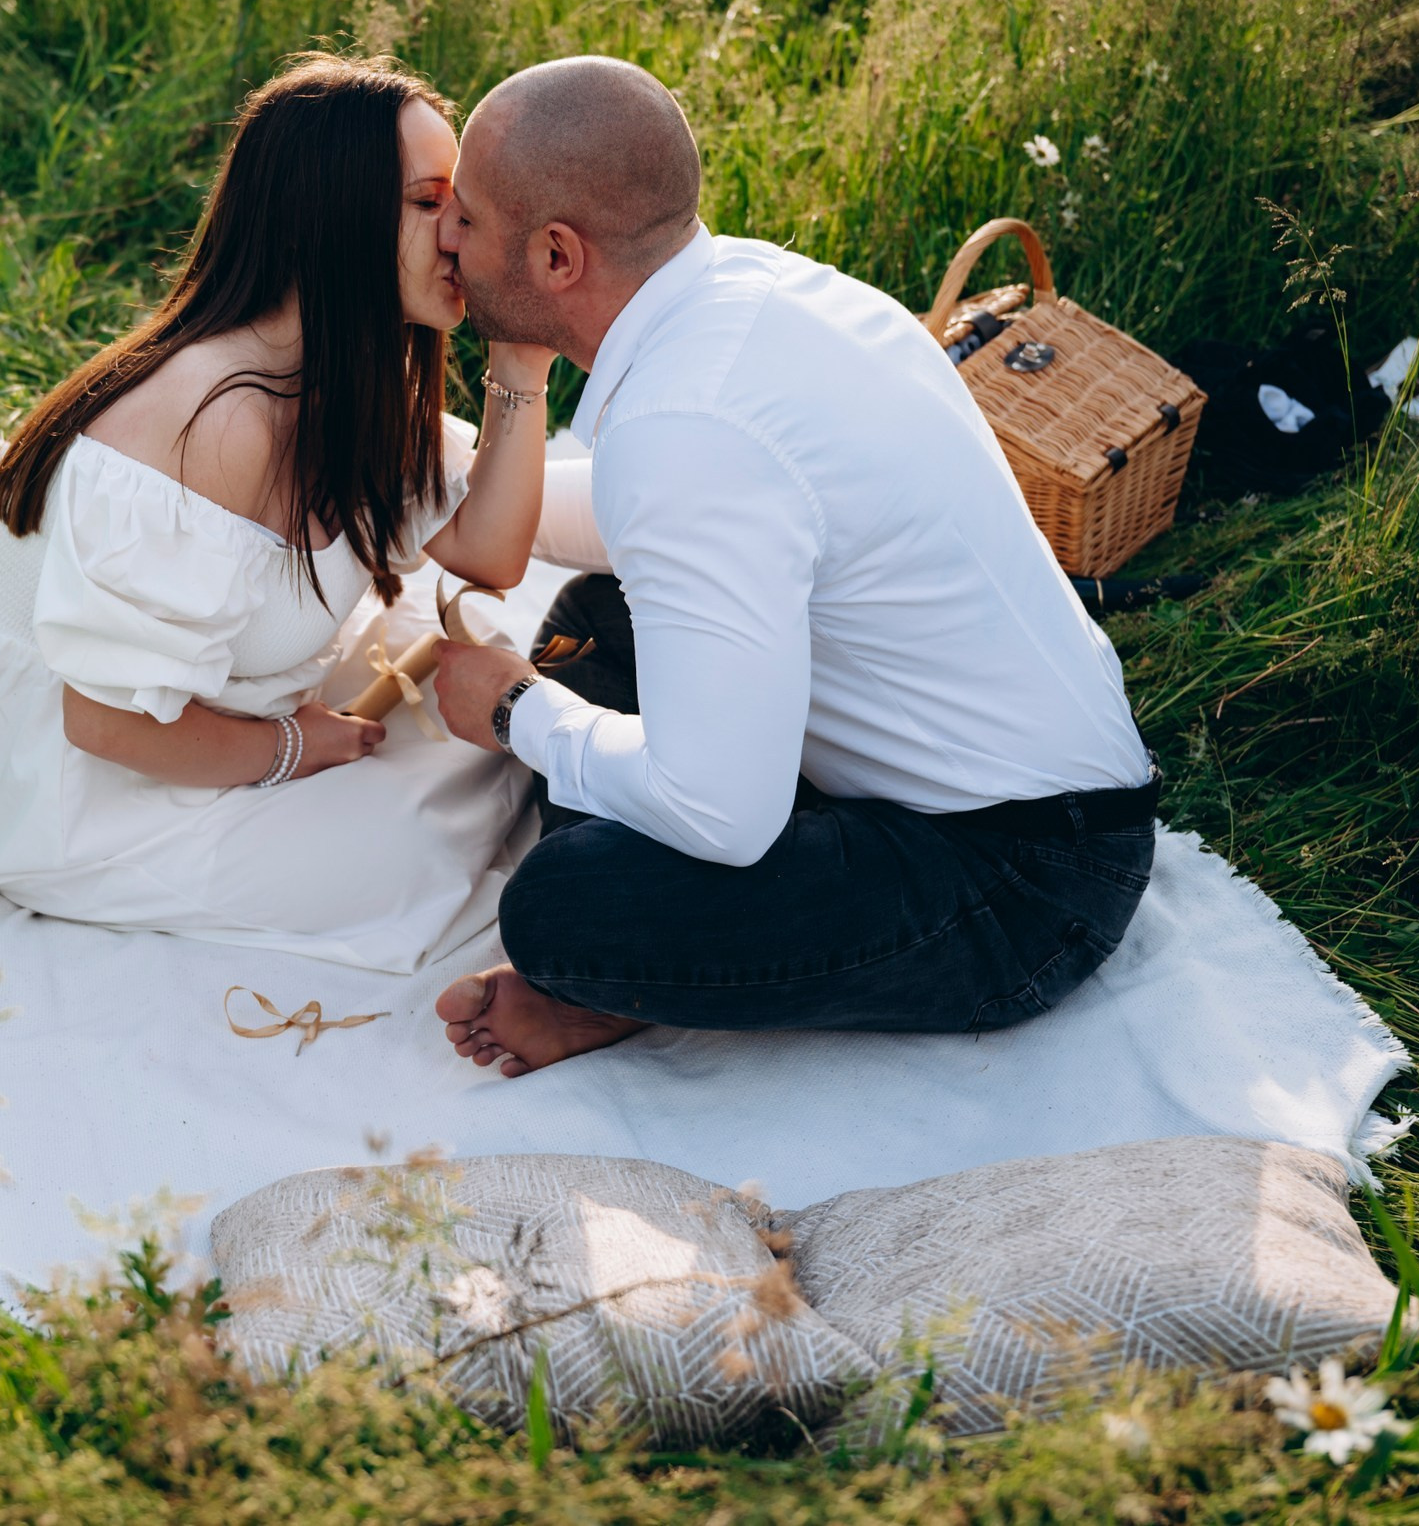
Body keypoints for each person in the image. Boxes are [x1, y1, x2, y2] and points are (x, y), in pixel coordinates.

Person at [429, 56, 1161, 1073]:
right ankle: (693, 953)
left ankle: (617, 987)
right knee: (607, 614)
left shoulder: (689, 423)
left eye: (463, 214)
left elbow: (717, 816)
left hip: (1020, 882)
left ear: (556, 254)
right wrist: (442, 489)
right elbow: (645, 517)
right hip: (988, 785)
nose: (444, 236)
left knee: (561, 906)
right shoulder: (762, 291)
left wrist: (515, 709)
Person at [0, 54, 553, 973]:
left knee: (491, 727)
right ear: (328, 221)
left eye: (460, 203)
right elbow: (104, 726)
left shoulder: (354, 373)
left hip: (207, 710)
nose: (461, 231)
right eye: (428, 203)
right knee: (424, 838)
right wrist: (297, 745)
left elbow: (492, 552)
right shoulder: (216, 422)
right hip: (85, 787)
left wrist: (521, 362)